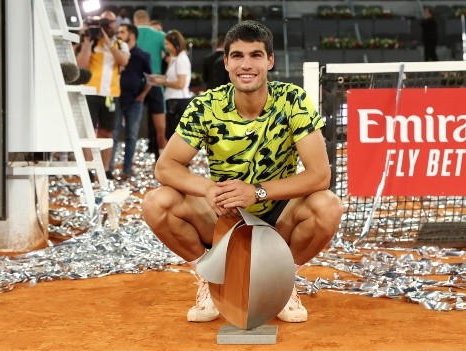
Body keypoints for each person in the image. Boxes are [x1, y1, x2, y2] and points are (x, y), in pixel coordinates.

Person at [142, 20, 343, 323]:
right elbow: (165, 166)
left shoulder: (292, 100)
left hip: (280, 217)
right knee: (156, 203)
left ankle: (284, 280)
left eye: (255, 55)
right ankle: (211, 278)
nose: (246, 65)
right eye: (237, 56)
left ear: (270, 61)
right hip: (225, 217)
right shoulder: (206, 106)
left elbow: (319, 175)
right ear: (225, 62)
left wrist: (257, 191)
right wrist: (208, 189)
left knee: (328, 206)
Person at [76, 11, 130, 178]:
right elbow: (81, 66)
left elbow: (123, 61)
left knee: (107, 132)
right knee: (88, 132)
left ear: (116, 24)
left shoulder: (120, 44)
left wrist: (107, 40)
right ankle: (89, 170)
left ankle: (106, 169)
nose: (108, 25)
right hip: (90, 92)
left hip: (110, 94)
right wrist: (86, 43)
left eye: (110, 22)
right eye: (104, 22)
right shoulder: (92, 42)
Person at [110, 23, 152, 178]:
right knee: (113, 134)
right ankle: (109, 168)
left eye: (122, 32)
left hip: (134, 100)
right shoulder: (116, 52)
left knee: (131, 135)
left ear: (132, 35)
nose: (118, 34)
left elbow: (150, 78)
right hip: (116, 98)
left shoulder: (142, 55)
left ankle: (127, 168)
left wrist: (142, 96)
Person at [133, 9, 168, 159]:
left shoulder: (130, 33)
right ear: (148, 21)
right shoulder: (160, 35)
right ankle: (164, 161)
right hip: (155, 83)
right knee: (161, 129)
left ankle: (128, 164)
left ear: (135, 21)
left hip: (134, 83)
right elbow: (171, 53)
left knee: (130, 127)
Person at [149, 29, 192, 142]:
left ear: (175, 44)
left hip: (178, 101)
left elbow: (181, 84)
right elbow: (173, 78)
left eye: (167, 44)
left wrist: (163, 82)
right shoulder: (175, 59)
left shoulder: (181, 59)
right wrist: (160, 79)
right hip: (173, 100)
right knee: (170, 134)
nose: (166, 47)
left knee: (175, 136)